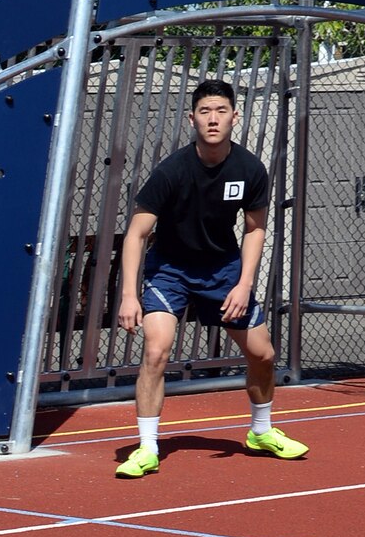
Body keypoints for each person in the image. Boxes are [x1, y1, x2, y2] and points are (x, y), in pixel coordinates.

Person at [113, 79, 306, 477]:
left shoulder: (250, 168)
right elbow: (136, 233)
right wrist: (129, 296)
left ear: (234, 117)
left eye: (220, 111)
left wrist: (243, 284)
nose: (212, 119)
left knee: (263, 354)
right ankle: (147, 448)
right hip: (170, 271)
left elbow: (255, 229)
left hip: (222, 272)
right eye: (204, 112)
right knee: (156, 351)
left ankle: (261, 431)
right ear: (192, 119)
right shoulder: (172, 171)